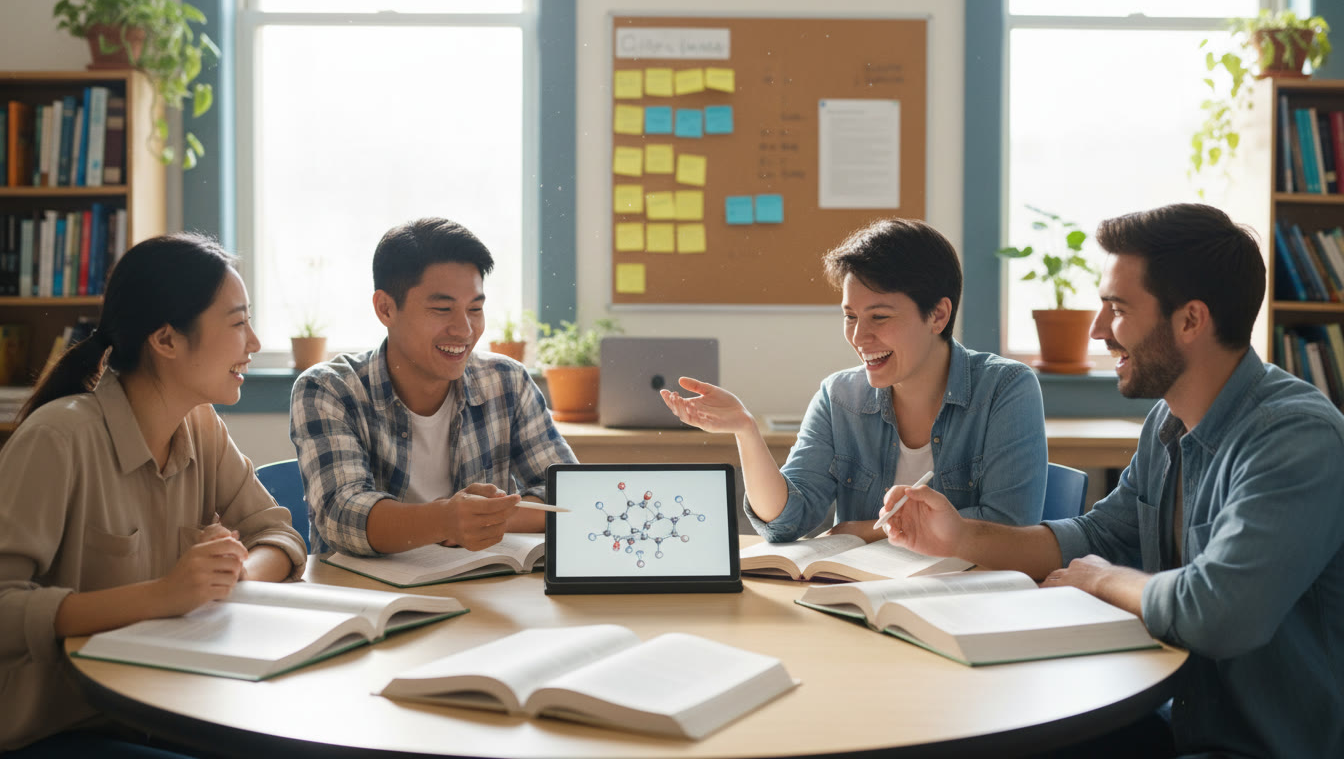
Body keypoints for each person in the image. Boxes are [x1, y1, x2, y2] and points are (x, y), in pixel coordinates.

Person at [881, 203, 1344, 758]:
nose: (1098, 329)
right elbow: (1097, 538)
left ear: (1191, 320)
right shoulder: (1169, 420)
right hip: (1176, 717)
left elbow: (1219, 612)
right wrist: (959, 538)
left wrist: (1102, 582)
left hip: (1258, 745)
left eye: (1117, 309)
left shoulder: (1295, 438)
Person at [0, 234, 307, 754]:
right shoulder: (58, 439)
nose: (253, 342)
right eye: (237, 323)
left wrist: (230, 578)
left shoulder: (201, 426)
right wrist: (164, 595)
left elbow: (278, 533)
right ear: (166, 340)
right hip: (61, 727)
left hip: (165, 702)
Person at [662, 218, 1048, 542]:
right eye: (850, 316)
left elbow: (1009, 527)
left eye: (879, 317)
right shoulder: (839, 397)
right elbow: (785, 522)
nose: (860, 337)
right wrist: (746, 431)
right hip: (863, 598)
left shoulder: (1005, 389)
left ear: (938, 316)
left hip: (971, 601)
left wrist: (859, 531)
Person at [290, 217, 577, 557]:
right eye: (442, 309)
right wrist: (446, 520)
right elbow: (342, 514)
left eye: (476, 309)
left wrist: (482, 519)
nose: (465, 330)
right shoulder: (328, 389)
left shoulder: (507, 381)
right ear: (385, 308)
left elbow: (570, 493)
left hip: (484, 589)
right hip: (366, 597)